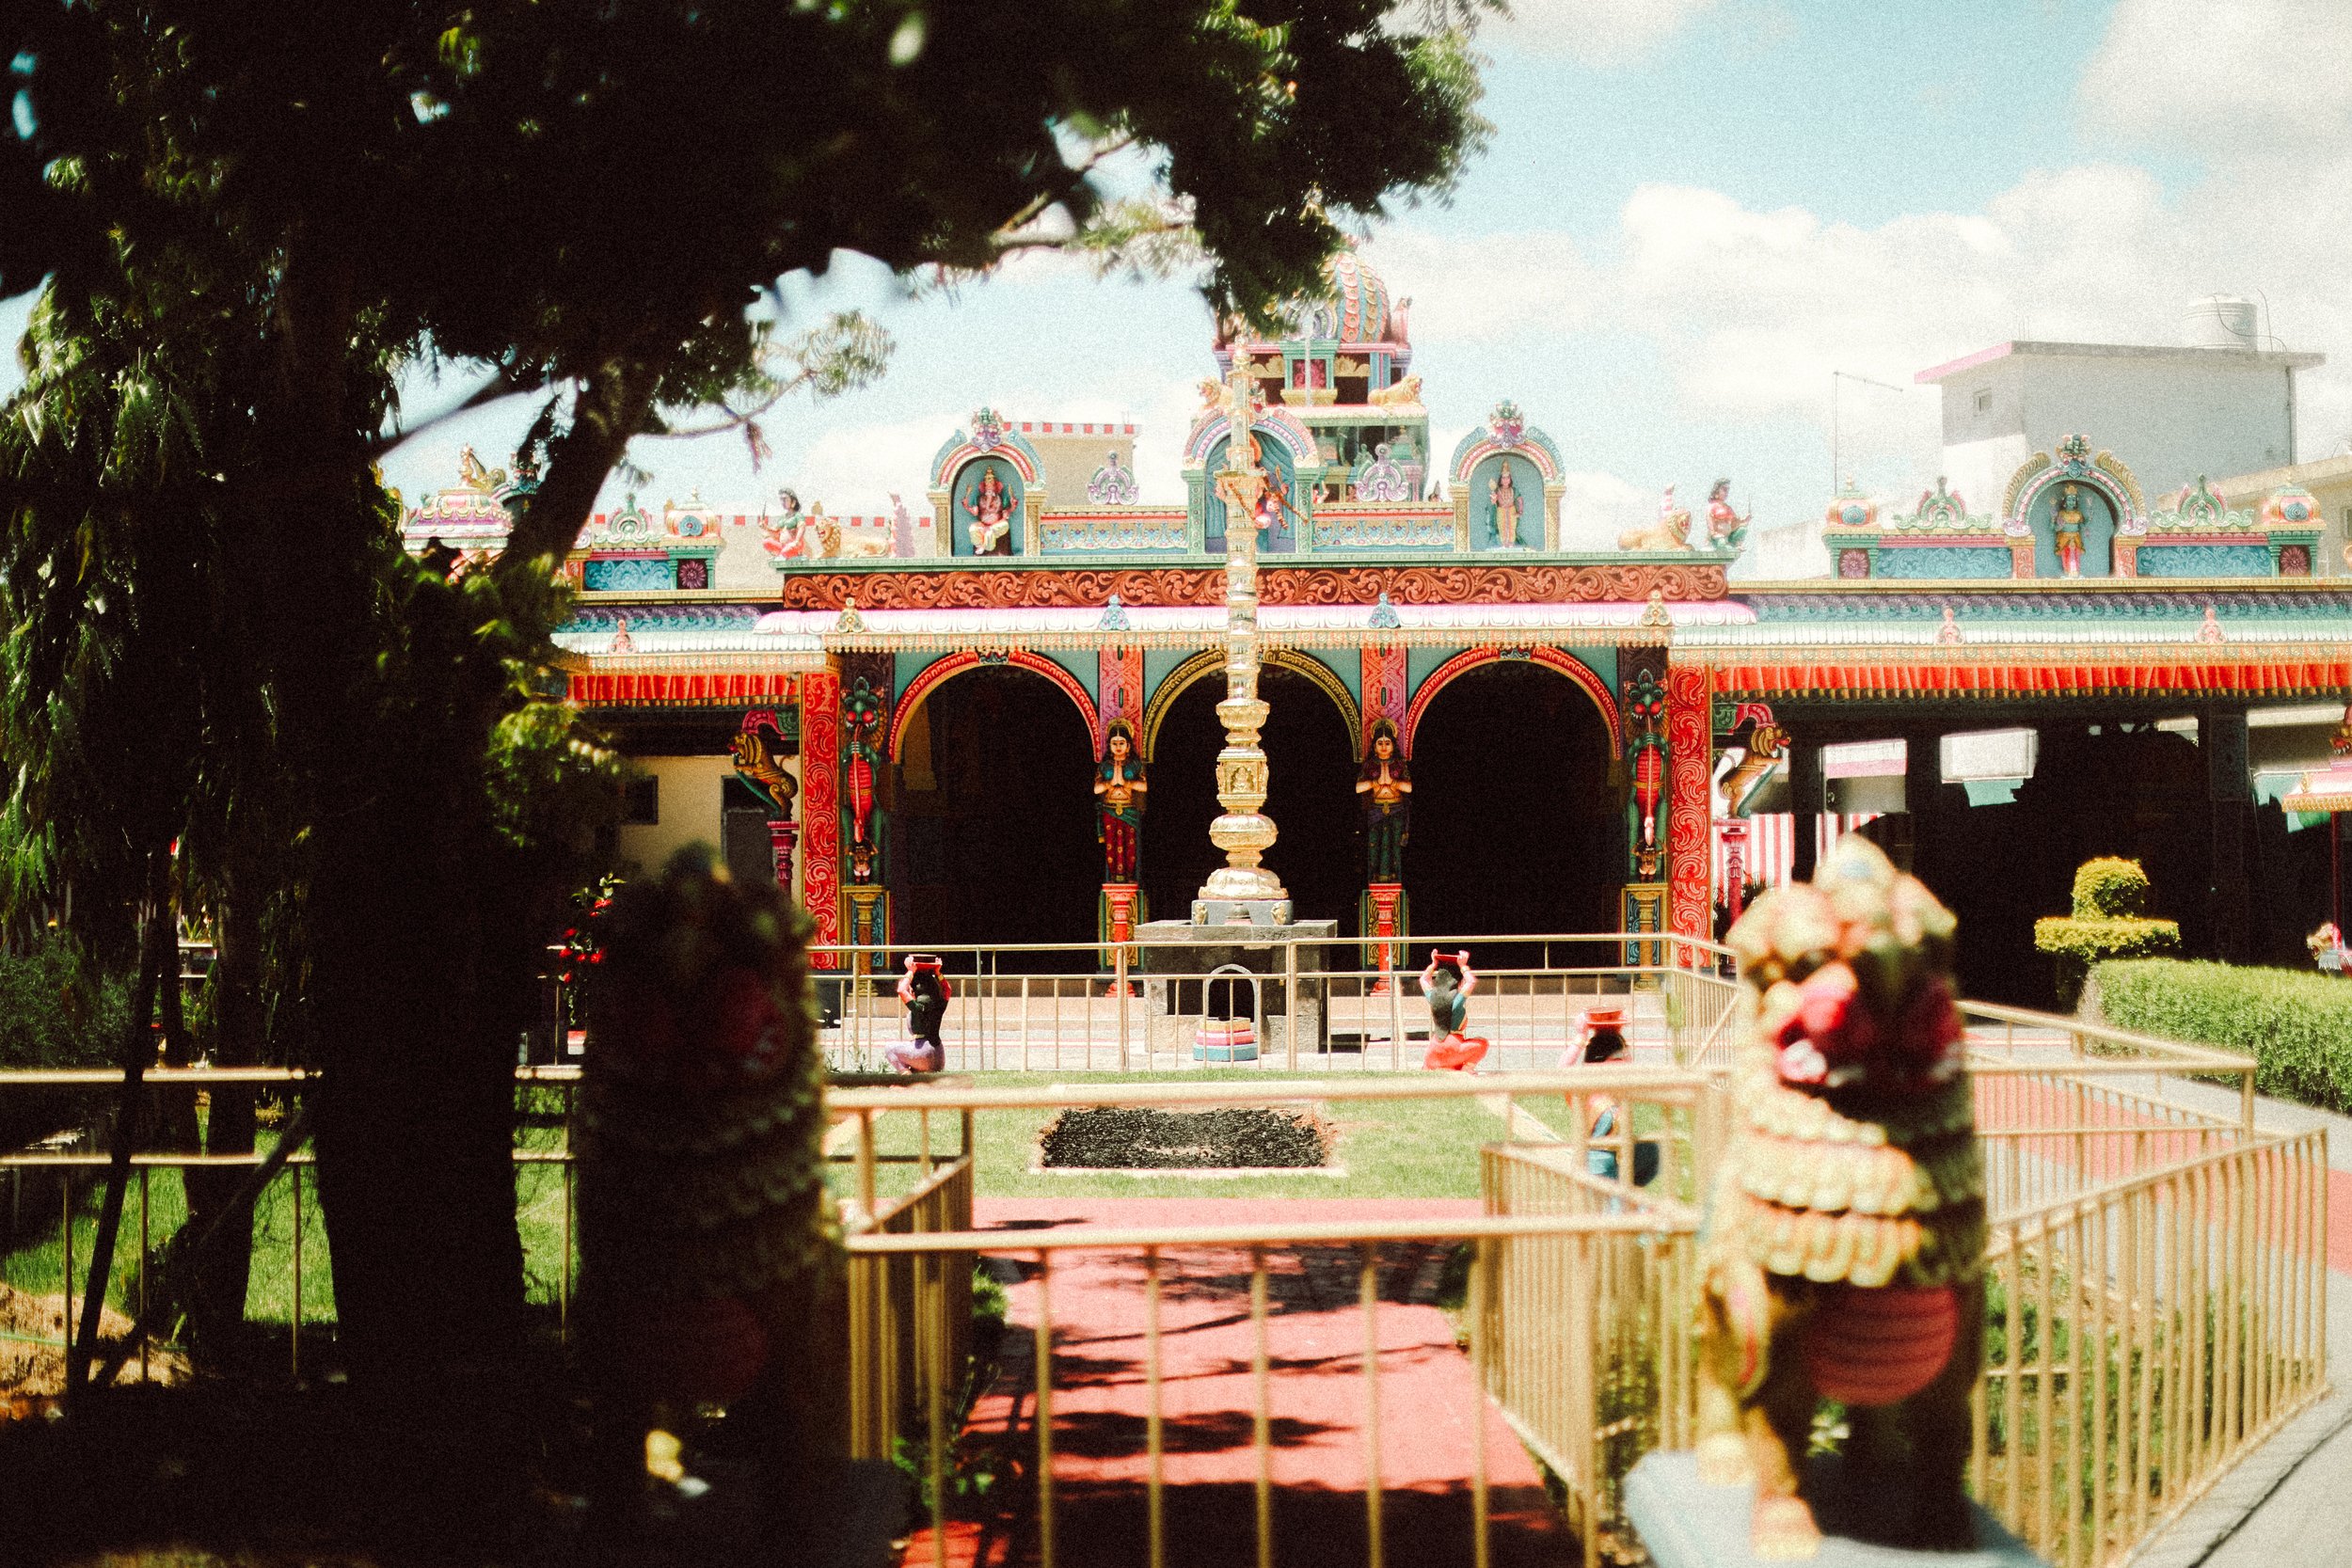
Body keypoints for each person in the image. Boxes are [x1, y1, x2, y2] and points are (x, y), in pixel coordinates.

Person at [1569, 1007, 1658, 1184]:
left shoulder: (1618, 1090)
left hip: (1617, 1157)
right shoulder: (1587, 1091)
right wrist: (1580, 1037)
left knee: (1653, 1151)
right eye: (1620, 1057)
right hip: (1598, 1163)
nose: (1626, 1062)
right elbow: (1563, 1069)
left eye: (1625, 1055)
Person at [1356, 721, 1411, 884]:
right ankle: (1375, 878)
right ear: (1374, 746)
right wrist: (1374, 783)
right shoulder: (1370, 765)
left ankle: (1394, 878)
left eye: (1387, 743)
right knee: (1375, 844)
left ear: (1393, 745)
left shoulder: (1399, 764)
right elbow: (1358, 788)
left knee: (1393, 844)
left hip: (1396, 808)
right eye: (1380, 743)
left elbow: (1409, 787)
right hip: (1375, 809)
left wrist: (1394, 783)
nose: (1384, 746)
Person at [1093, 721, 1147, 882]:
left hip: (1129, 810)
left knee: (1129, 846)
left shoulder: (1134, 764)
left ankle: (1130, 877)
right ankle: (1113, 878)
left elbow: (1144, 786)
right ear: (1109, 746)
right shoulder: (1104, 766)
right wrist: (1109, 784)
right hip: (1110, 809)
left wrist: (1127, 783)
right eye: (1114, 743)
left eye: (1122, 743)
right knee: (1112, 846)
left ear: (1129, 746)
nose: (1118, 747)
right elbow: (1096, 789)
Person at [1420, 948, 1487, 1070]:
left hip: (1434, 1050)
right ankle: (1467, 1069)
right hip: (1453, 1049)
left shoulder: (1433, 997)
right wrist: (1463, 966)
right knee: (1482, 1043)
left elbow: (1423, 979)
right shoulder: (1456, 1002)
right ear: (1458, 983)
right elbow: (1471, 982)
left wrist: (1433, 965)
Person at [888, 955, 950, 1073]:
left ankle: (905, 1074)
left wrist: (911, 972)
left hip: (923, 1055)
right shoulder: (940, 1003)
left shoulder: (918, 1006)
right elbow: (948, 990)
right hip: (939, 1057)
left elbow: (901, 990)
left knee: (889, 1049)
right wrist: (938, 973)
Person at [2053, 483, 2087, 578]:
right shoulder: (2062, 513)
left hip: (2076, 537)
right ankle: (2067, 572)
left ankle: (2075, 572)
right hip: (2064, 537)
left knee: (2076, 554)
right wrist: (2058, 525)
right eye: (2069, 499)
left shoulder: (2078, 513)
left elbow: (2083, 524)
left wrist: (2090, 510)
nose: (2071, 502)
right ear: (2064, 501)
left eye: (2073, 499)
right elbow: (2055, 528)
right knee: (2066, 553)